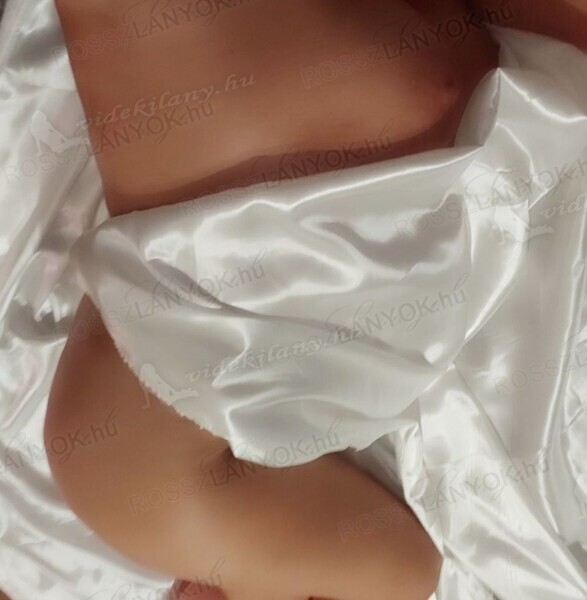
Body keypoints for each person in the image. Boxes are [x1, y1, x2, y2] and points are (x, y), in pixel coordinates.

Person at [45, 1, 587, 598]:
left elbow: (402, 570)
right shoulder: (134, 491)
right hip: (331, 162)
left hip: (442, 135)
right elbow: (401, 571)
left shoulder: (139, 487)